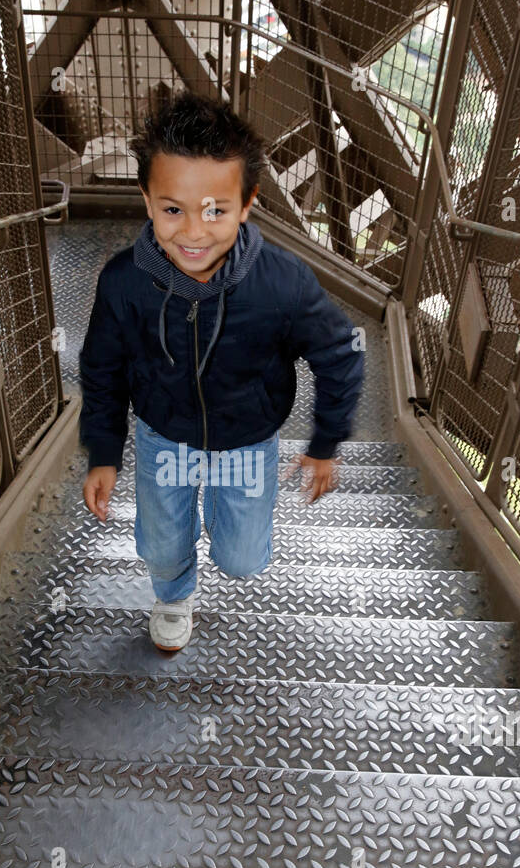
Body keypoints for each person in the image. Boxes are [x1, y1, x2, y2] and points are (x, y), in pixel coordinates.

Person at [79, 91, 364, 652]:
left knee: (240, 560)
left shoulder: (281, 283)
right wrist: (105, 451)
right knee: (162, 546)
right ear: (146, 200)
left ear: (248, 203)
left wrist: (325, 442)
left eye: (216, 210)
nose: (193, 232)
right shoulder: (123, 282)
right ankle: (174, 591)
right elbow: (101, 367)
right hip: (164, 433)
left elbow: (341, 352)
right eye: (172, 209)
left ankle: (214, 525)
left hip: (245, 441)